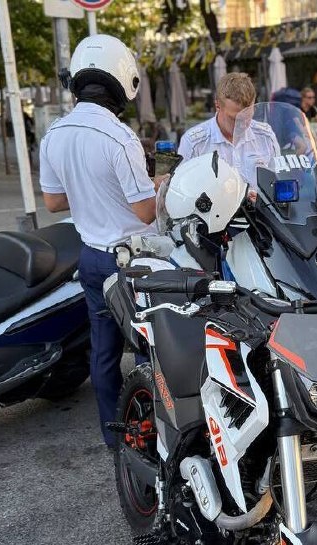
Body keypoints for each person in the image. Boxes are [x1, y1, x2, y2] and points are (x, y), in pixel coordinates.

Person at [40, 34, 164, 450]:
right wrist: (161, 184)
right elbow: (145, 212)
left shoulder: (54, 134)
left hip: (91, 258)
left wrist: (90, 190)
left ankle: (115, 439)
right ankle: (150, 434)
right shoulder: (119, 138)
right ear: (122, 82)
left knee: (104, 351)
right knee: (147, 348)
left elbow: (53, 201)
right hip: (133, 263)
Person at [178, 72, 278, 188]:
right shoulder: (194, 143)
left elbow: (277, 181)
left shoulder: (265, 136)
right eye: (234, 119)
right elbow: (181, 188)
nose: (242, 125)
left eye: (247, 118)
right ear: (217, 106)